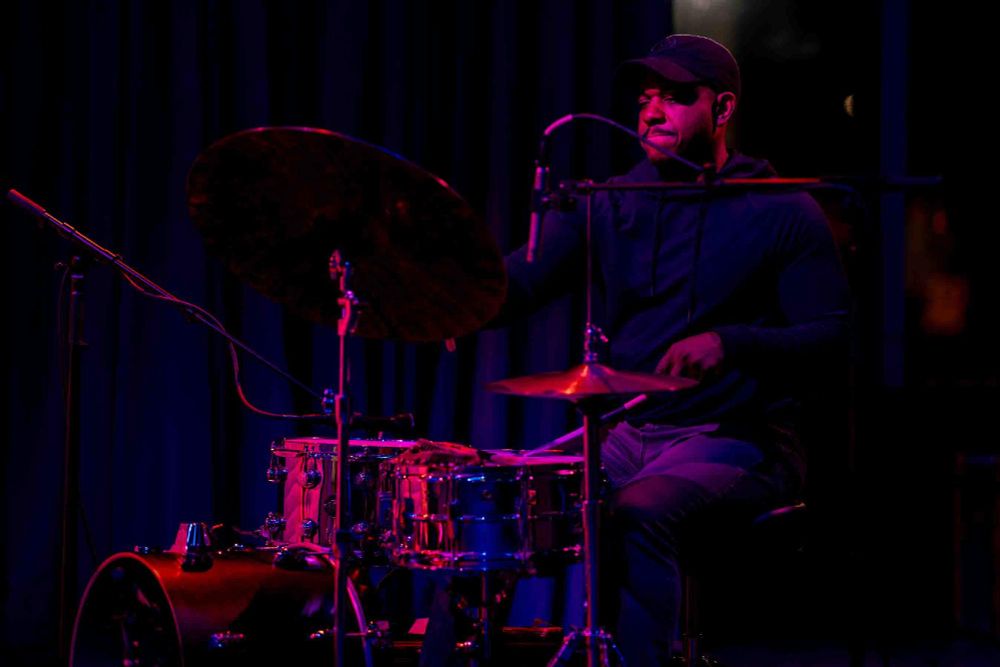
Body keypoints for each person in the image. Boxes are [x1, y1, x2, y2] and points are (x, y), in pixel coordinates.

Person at [499, 34, 851, 663]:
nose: (652, 112)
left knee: (639, 511)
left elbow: (832, 336)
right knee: (502, 504)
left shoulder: (782, 209)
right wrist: (428, 290)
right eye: (645, 98)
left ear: (721, 110)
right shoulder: (612, 201)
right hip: (629, 434)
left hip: (739, 438)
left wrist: (732, 342)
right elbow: (517, 281)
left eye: (675, 97)